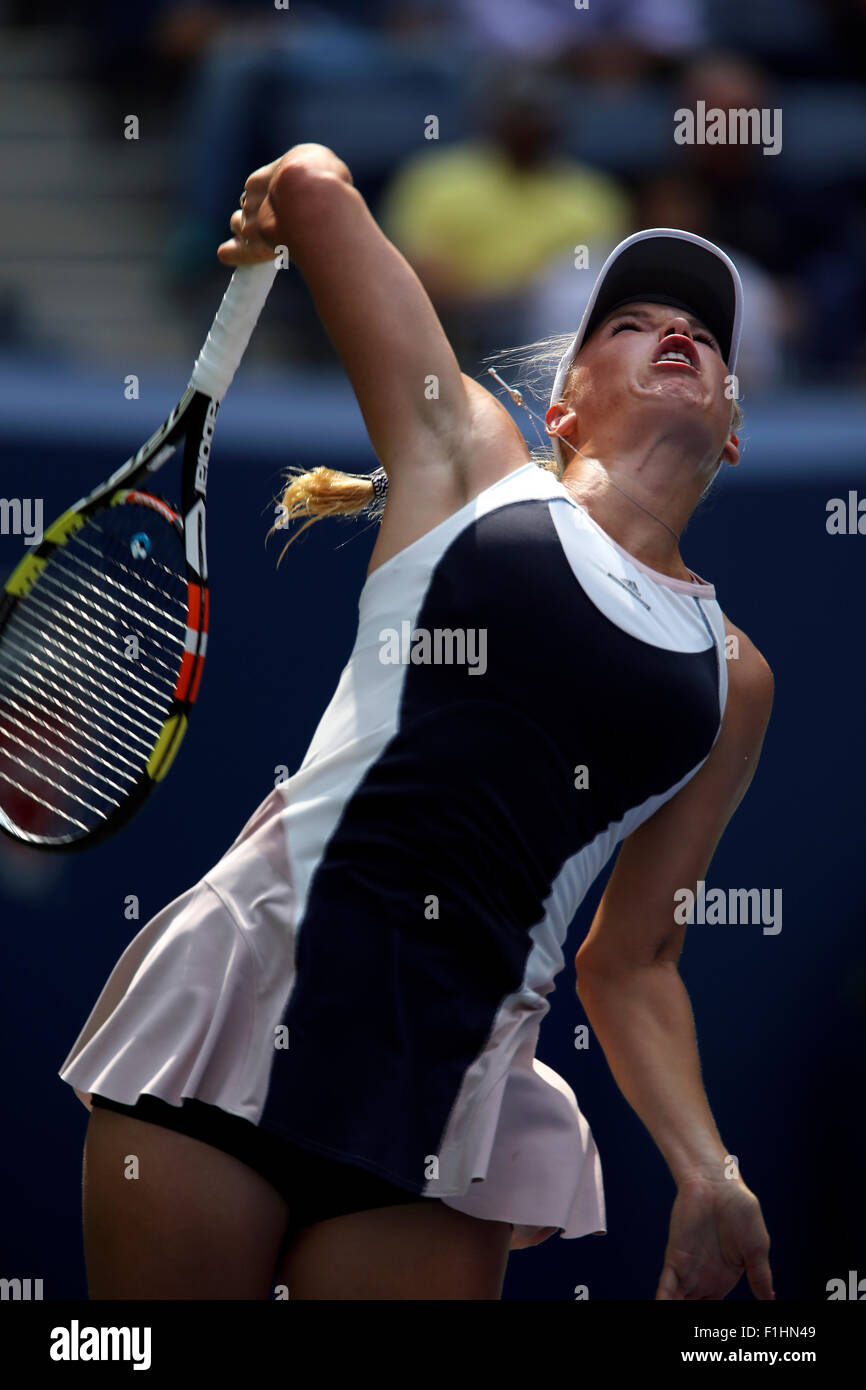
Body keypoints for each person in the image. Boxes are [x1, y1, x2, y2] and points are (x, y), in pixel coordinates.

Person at [59, 144, 775, 1302]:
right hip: (246, 995)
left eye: (702, 335)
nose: (676, 334)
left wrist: (706, 1168)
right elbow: (318, 183)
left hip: (449, 1098)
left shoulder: (731, 678)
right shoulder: (473, 461)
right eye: (630, 322)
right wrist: (278, 194)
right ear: (562, 404)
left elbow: (635, 960)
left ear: (734, 427)